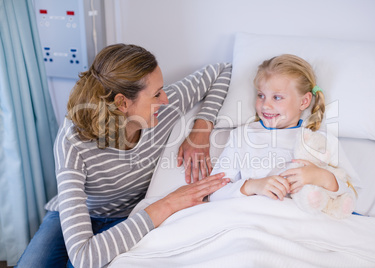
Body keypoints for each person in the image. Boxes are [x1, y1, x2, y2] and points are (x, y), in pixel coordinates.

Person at [16, 44, 232, 268]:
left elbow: (222, 70)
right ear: (122, 103)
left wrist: (201, 129)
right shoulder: (73, 141)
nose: (166, 99)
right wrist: (168, 204)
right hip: (80, 214)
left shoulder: (166, 108)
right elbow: (83, 256)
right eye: (156, 94)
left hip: (127, 217)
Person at [209, 54, 356, 217]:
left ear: (304, 102)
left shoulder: (321, 140)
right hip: (257, 219)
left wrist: (321, 176)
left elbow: (351, 195)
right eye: (261, 95)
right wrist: (253, 186)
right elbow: (214, 193)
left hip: (305, 223)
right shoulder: (242, 136)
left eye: (277, 97)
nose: (265, 105)